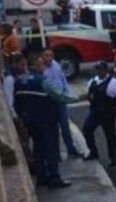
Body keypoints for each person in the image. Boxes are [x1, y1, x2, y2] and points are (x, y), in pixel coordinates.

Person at [15, 53, 81, 188]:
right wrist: (78, 99)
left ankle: (41, 177)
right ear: (35, 65)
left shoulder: (19, 82)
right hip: (47, 120)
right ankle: (54, 177)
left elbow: (17, 104)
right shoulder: (42, 82)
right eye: (41, 64)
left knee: (38, 148)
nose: (44, 67)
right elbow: (59, 97)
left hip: (30, 121)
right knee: (51, 148)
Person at [82, 61, 116, 166]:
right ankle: (93, 152)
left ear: (106, 70)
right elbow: (89, 95)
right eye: (97, 69)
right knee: (87, 129)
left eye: (100, 69)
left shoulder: (114, 83)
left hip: (108, 114)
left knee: (110, 137)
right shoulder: (93, 81)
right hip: (95, 112)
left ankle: (112, 158)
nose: (98, 71)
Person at [41, 48, 81, 158]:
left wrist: (67, 92)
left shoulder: (56, 65)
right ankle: (56, 153)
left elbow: (63, 79)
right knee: (52, 129)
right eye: (46, 55)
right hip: (49, 102)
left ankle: (71, 149)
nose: (48, 57)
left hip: (61, 101)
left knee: (65, 126)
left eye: (50, 55)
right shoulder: (41, 69)